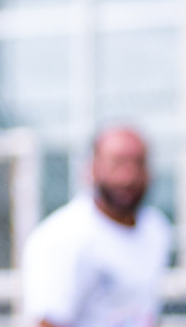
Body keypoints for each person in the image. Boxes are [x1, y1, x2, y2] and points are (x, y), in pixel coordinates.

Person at [21, 126, 173, 327]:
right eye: (117, 163)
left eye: (138, 163)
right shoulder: (63, 237)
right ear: (91, 168)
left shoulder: (156, 229)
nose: (128, 176)